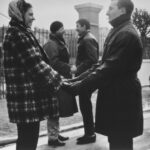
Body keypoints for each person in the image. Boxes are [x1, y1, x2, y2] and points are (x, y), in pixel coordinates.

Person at [63, 0, 144, 149]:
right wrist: (75, 81)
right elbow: (101, 64)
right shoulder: (119, 30)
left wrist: (78, 86)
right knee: (117, 140)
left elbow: (107, 68)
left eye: (111, 8)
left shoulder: (125, 33)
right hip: (118, 95)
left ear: (122, 10)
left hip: (121, 98)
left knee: (120, 142)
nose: (107, 12)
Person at [3, 0, 62, 150]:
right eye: (30, 14)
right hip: (24, 97)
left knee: (27, 138)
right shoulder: (17, 33)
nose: (33, 17)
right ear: (19, 14)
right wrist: (60, 81)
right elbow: (36, 64)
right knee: (28, 140)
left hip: (25, 97)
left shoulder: (20, 31)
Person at [43, 21, 77, 146]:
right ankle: (52, 138)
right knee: (54, 109)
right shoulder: (51, 44)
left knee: (57, 108)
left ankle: (55, 134)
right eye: (62, 28)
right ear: (56, 30)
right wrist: (69, 67)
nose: (64, 30)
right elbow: (54, 63)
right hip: (54, 80)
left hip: (59, 79)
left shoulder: (57, 41)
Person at [74, 18, 99, 144]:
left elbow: (92, 60)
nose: (76, 28)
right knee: (85, 106)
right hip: (85, 77)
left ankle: (90, 134)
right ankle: (89, 133)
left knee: (85, 106)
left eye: (78, 26)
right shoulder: (86, 38)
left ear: (84, 26)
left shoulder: (88, 39)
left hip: (86, 78)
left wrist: (77, 69)